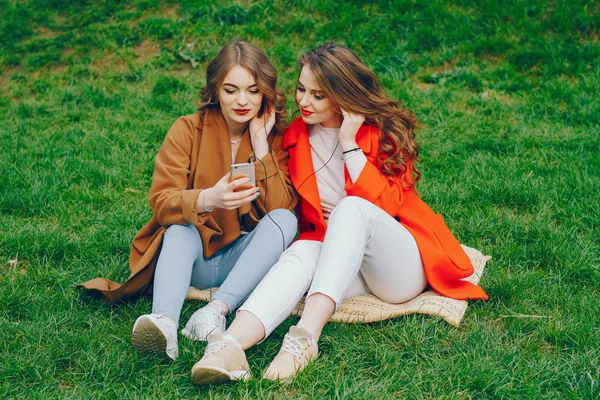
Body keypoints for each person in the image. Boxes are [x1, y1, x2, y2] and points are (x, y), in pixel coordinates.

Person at [189, 42, 488, 385]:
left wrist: (349, 143)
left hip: (397, 267)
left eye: (318, 95)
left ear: (342, 96)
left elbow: (388, 207)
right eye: (301, 88)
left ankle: (303, 339)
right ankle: (229, 346)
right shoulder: (296, 137)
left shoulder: (380, 134)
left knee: (352, 207)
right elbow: (279, 208)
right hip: (343, 262)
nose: (303, 101)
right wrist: (260, 150)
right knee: (301, 250)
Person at [79, 41, 297, 361]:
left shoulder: (274, 136)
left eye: (253, 90)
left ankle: (215, 311)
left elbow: (282, 209)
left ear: (265, 91)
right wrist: (209, 198)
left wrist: (262, 147)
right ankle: (164, 323)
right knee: (179, 228)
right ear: (215, 90)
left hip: (245, 260)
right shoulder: (187, 129)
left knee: (287, 220)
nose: (242, 100)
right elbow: (162, 201)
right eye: (230, 89)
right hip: (194, 258)